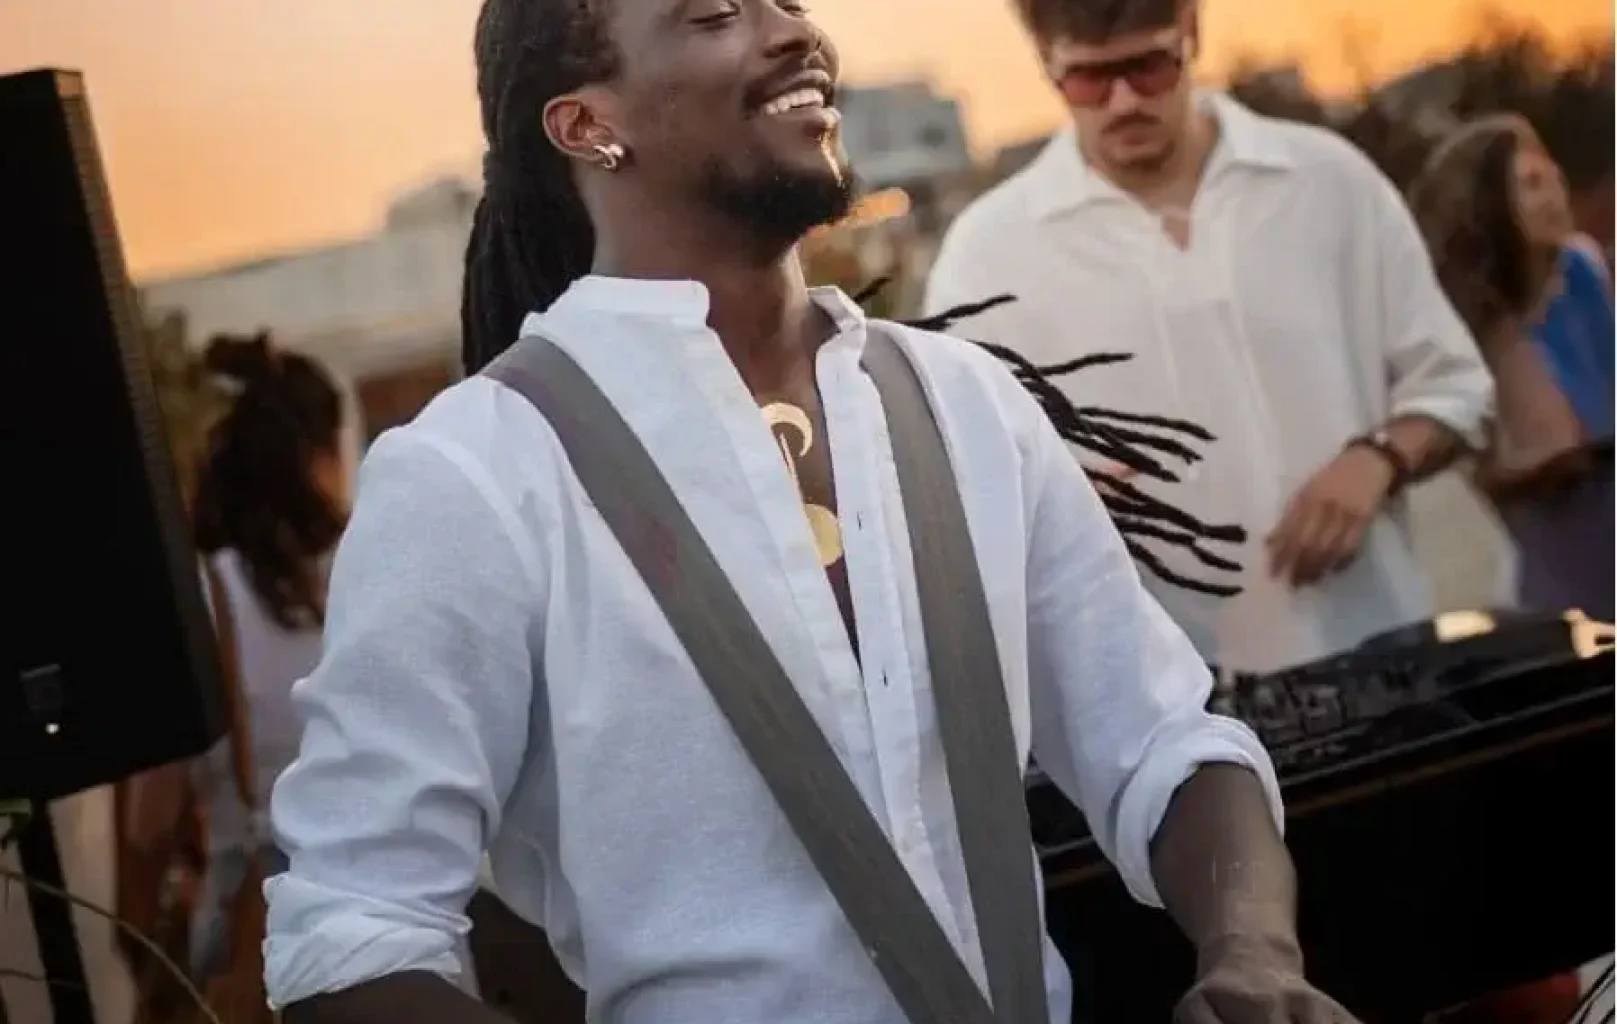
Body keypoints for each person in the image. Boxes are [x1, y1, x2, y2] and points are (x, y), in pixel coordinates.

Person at [261, 2, 1358, 1023]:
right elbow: (351, 932)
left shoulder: (966, 401)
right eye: (716, 12)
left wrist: (1252, 950)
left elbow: (1162, 741)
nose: (793, 31)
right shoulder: (476, 475)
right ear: (588, 124)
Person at [924, 0, 1494, 674]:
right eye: (1089, 79)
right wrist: (1052, 511)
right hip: (1154, 703)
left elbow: (1458, 387)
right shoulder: (985, 255)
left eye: (1148, 67)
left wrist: (1378, 459)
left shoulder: (1327, 181)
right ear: (1046, 66)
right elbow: (955, 497)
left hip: (1379, 641)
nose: (1122, 100)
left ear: (1191, 31)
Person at [123, 334, 346, 1017]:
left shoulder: (201, 600)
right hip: (386, 922)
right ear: (315, 458)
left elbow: (147, 829)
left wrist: (139, 948)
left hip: (257, 937)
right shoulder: (360, 577)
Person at [1410, 114, 1614, 623]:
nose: (1556, 191)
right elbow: (1550, 456)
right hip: (1574, 565)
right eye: (1530, 183)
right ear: (1489, 210)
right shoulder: (1480, 329)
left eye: (1552, 175)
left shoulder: (1582, 267)